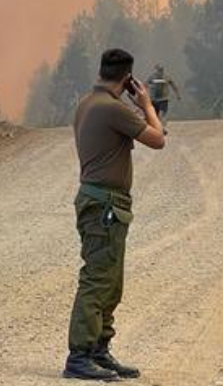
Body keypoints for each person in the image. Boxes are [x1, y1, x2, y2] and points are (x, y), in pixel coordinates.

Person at [64, 49, 166, 381]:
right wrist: (147, 104)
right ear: (128, 80)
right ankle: (79, 356)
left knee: (111, 281)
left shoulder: (87, 103)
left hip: (102, 203)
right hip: (104, 204)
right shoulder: (112, 108)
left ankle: (98, 350)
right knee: (98, 280)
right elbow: (157, 139)